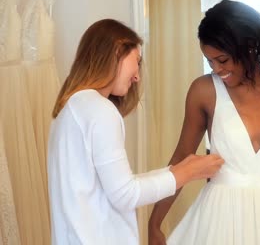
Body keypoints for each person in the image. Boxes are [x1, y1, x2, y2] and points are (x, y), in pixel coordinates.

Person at [149, 0, 260, 245]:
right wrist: (155, 223)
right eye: (210, 62)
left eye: (223, 60)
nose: (217, 69)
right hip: (220, 220)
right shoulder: (204, 91)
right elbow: (181, 158)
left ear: (248, 47)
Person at [47, 19, 224, 245]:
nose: (137, 76)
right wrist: (186, 173)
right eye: (137, 61)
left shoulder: (71, 108)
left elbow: (116, 185)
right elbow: (125, 195)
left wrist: (178, 169)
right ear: (117, 52)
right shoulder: (100, 110)